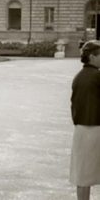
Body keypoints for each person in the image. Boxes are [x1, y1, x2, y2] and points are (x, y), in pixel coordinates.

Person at [69, 40, 100, 200]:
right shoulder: (97, 76)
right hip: (96, 129)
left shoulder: (78, 77)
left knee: (82, 176)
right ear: (93, 57)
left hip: (81, 130)